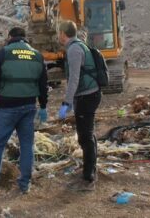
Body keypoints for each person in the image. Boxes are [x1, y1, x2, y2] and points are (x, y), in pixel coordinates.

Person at [0, 27, 48, 195]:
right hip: (28, 107)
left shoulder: (2, 53)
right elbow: (43, 84)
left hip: (6, 108)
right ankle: (25, 184)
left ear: (10, 37)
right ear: (25, 38)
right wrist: (44, 106)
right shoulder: (37, 56)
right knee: (26, 146)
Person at [57, 20, 101, 191]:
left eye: (59, 32)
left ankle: (89, 176)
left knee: (85, 137)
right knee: (89, 133)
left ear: (63, 33)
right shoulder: (79, 45)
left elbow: (74, 78)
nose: (58, 36)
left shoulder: (74, 49)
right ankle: (91, 168)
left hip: (86, 96)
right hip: (90, 94)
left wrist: (67, 102)